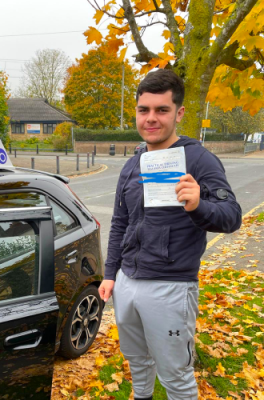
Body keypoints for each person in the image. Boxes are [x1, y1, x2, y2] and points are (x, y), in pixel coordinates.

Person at [99, 69, 241, 400]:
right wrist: (110, 274)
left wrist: (198, 206)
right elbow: (121, 221)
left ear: (178, 113)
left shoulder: (200, 159)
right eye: (143, 110)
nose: (151, 118)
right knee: (137, 361)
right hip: (127, 283)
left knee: (175, 374)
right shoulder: (133, 163)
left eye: (161, 110)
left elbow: (232, 217)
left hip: (171, 288)